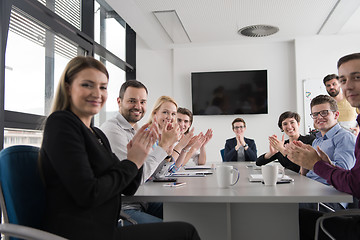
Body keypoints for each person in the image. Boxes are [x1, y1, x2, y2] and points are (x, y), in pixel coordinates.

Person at [39, 56, 200, 240]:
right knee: (186, 233)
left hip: (105, 226)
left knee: (189, 221)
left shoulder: (96, 134)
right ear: (68, 88)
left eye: (102, 87)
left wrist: (139, 156)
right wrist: (133, 161)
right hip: (85, 232)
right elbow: (89, 193)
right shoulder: (61, 123)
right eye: (87, 85)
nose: (97, 93)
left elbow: (129, 186)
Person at [285, 53, 360, 240]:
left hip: (328, 200)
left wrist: (317, 163)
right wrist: (302, 161)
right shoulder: (317, 140)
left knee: (285, 214)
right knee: (282, 206)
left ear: (336, 115)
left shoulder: (345, 138)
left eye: (324, 112)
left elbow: (344, 176)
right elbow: (307, 174)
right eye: (315, 114)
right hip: (311, 192)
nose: (319, 117)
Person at [101, 80, 178, 225]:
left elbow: (154, 174)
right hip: (124, 208)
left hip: (142, 202)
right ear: (119, 101)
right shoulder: (113, 130)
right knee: (179, 230)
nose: (138, 106)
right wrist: (164, 145)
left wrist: (167, 149)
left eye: (142, 102)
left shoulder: (135, 129)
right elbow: (135, 180)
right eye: (132, 101)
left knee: (188, 214)